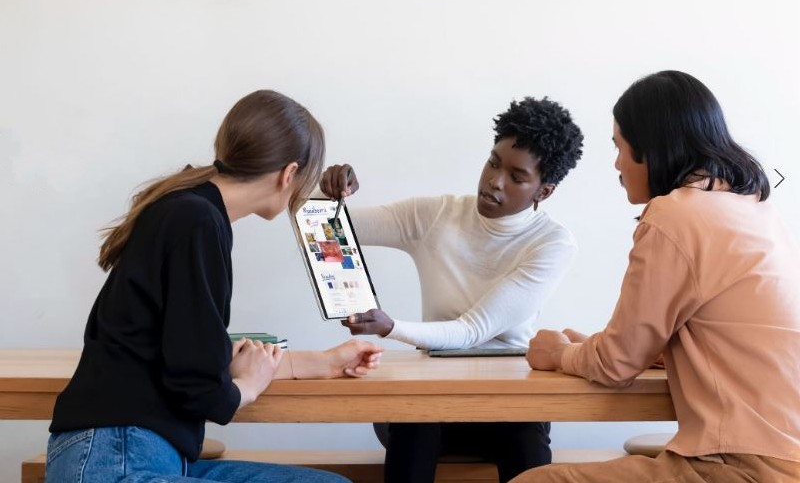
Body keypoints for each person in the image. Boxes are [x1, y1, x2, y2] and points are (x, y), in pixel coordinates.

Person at [46, 90, 383, 483]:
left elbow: (192, 349)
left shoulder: (191, 210)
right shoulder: (196, 221)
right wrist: (245, 389)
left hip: (134, 451)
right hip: (118, 456)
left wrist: (324, 362)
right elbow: (197, 381)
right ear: (289, 174)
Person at [514, 71, 800, 483]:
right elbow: (734, 333)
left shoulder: (674, 215)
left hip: (745, 465)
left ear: (648, 147)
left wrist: (558, 354)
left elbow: (615, 365)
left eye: (618, 146)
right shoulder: (754, 210)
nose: (615, 163)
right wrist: (613, 348)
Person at [320, 97, 585, 483]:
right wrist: (330, 196)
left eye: (517, 176)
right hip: (430, 404)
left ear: (543, 192)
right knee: (417, 415)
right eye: (494, 162)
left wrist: (391, 327)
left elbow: (472, 331)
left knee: (522, 431)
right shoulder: (437, 215)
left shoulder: (552, 243)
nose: (495, 181)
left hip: (508, 407)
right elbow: (332, 230)